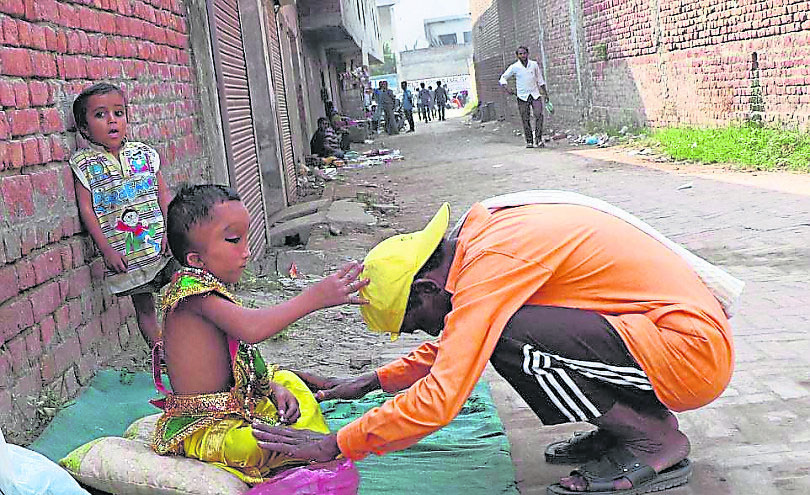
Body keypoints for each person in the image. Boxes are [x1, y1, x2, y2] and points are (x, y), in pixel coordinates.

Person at [251, 190, 741, 495]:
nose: (430, 331)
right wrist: (371, 381)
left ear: (425, 289)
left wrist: (337, 443)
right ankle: (627, 426)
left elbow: (444, 395)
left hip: (690, 357)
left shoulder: (490, 266)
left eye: (418, 321)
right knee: (502, 331)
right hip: (663, 340)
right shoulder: (482, 243)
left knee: (509, 337)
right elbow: (460, 335)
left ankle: (654, 440)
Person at [151, 184, 369, 484]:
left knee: (290, 383)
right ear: (195, 260)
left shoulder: (209, 289)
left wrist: (272, 390)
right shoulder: (193, 296)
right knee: (253, 446)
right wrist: (315, 297)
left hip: (237, 408)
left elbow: (243, 359)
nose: (246, 251)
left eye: (246, 238)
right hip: (206, 428)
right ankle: (308, 456)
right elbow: (252, 330)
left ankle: (308, 451)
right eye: (233, 240)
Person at [70, 82, 175, 350]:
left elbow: (164, 195)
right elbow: (87, 210)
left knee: (180, 297)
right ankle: (161, 355)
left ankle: (187, 347)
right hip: (126, 256)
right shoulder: (84, 165)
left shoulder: (144, 155)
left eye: (118, 112)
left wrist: (170, 232)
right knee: (145, 308)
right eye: (100, 115)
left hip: (161, 246)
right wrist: (106, 251)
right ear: (84, 129)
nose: (112, 121)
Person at [499, 45, 549, 148]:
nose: (523, 55)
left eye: (524, 53)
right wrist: (507, 88)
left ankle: (538, 139)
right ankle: (529, 141)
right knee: (525, 118)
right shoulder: (515, 67)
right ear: (517, 56)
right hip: (522, 96)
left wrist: (545, 93)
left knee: (538, 114)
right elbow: (503, 78)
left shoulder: (533, 65)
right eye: (520, 54)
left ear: (528, 54)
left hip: (535, 94)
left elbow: (540, 79)